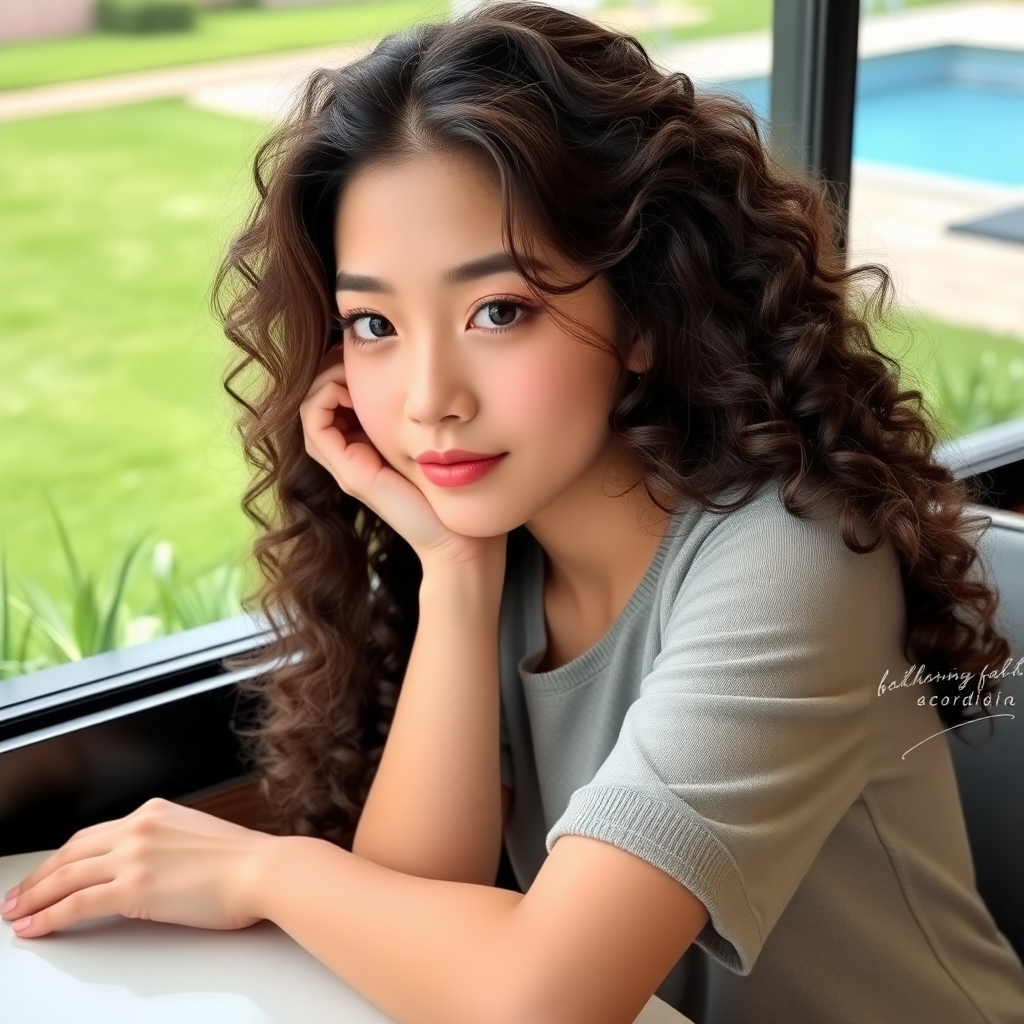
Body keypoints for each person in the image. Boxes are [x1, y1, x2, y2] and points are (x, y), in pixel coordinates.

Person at [3, 2, 1024, 1022]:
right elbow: (415, 894)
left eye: (499, 310)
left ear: (640, 311)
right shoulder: (511, 536)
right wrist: (453, 569)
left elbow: (543, 997)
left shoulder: (791, 558)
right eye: (374, 323)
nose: (427, 397)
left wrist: (262, 873)